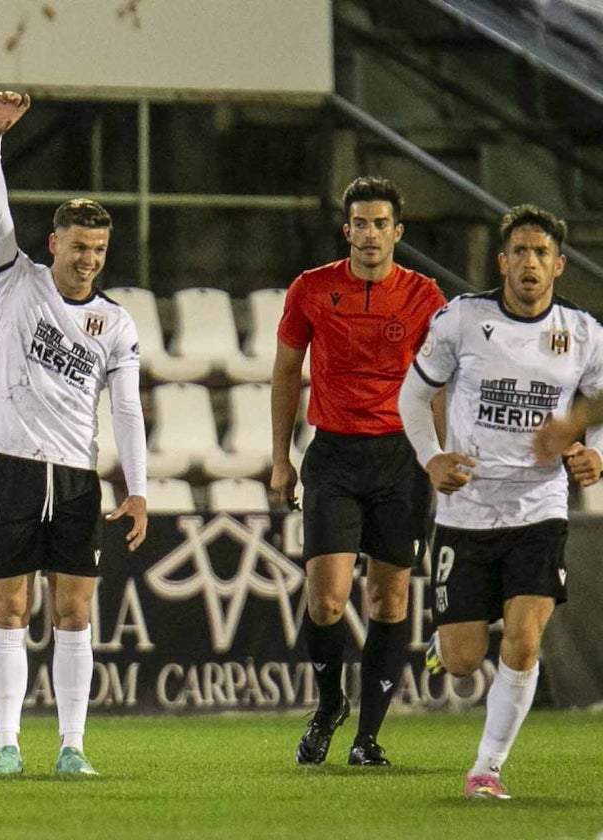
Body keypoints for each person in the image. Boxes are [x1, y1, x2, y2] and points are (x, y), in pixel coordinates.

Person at [399, 204, 603, 799]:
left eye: (542, 253)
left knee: (524, 640)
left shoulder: (585, 334)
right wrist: (432, 458)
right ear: (502, 261)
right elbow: (413, 398)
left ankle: (486, 769)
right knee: (463, 660)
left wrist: (596, 453)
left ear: (559, 265)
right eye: (520, 252)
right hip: (465, 510)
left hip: (539, 508)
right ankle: (445, 647)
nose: (530, 263)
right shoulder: (462, 320)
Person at [0, 91, 148, 778]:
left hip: (76, 474)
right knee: (10, 608)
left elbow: (128, 410)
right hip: (13, 466)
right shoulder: (16, 282)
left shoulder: (117, 324)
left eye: (99, 249)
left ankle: (73, 747)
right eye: (79, 247)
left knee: (74, 613)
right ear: (54, 245)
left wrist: (137, 490)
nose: (89, 260)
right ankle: (8, 746)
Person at [270, 176, 446, 767]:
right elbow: (286, 373)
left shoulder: (426, 297)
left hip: (401, 457)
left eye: (381, 224)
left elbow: (441, 386)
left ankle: (368, 737)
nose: (370, 234)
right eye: (360, 224)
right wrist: (280, 458)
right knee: (326, 599)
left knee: (389, 599)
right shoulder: (313, 290)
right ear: (347, 230)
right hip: (335, 455)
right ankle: (328, 704)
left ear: (398, 232)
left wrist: (439, 457)